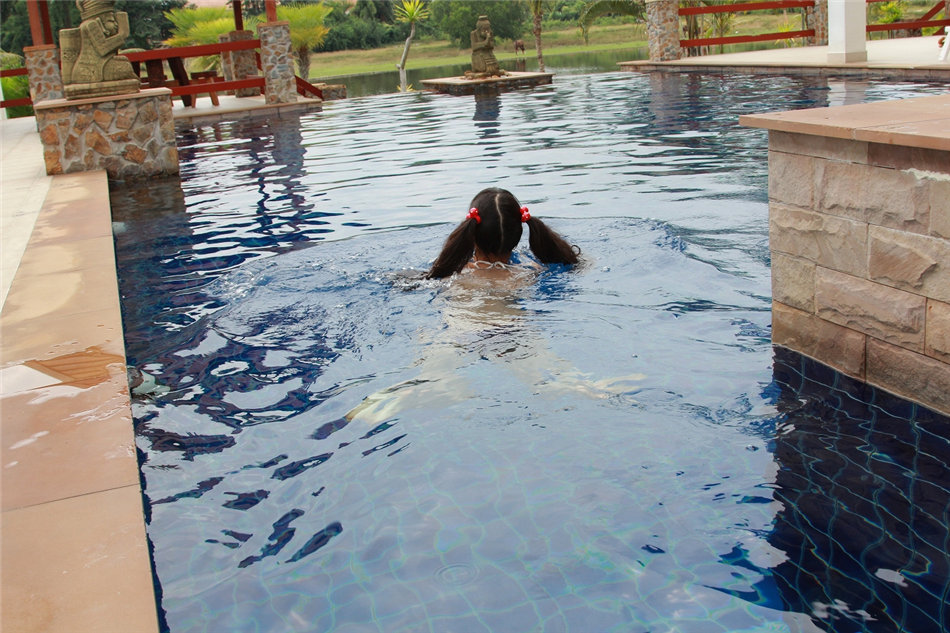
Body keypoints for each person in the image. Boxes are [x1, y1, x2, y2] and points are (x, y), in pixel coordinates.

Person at [426, 188, 580, 279]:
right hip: (516, 325)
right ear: (518, 235)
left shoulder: (453, 274)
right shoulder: (532, 272)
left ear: (471, 233)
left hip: (462, 325)